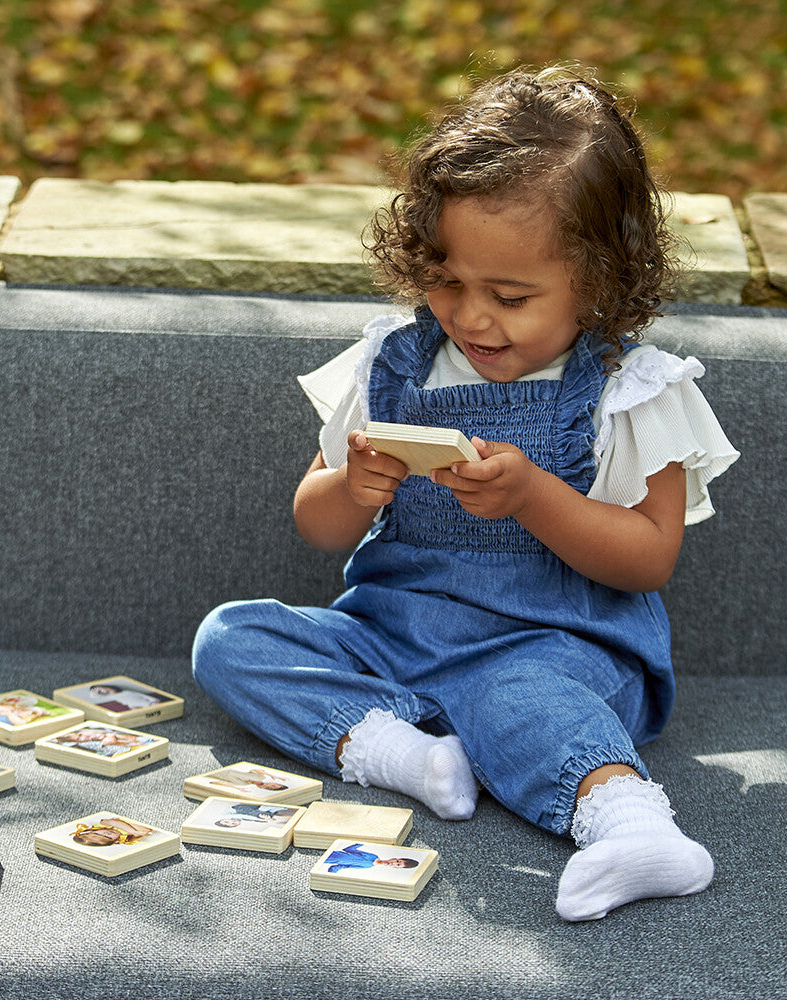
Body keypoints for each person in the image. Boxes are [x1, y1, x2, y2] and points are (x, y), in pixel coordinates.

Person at [193, 66, 739, 922]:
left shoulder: (630, 387)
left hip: (559, 652)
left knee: (519, 702)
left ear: (599, 280)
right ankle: (407, 757)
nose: (473, 318)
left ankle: (632, 825)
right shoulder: (394, 361)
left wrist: (535, 497)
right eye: (447, 282)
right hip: (396, 639)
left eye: (511, 297)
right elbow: (317, 521)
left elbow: (649, 558)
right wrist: (356, 485)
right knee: (231, 638)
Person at [323, 843, 420, 874]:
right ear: (394, 858)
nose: (394, 863)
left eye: (397, 865)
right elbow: (348, 849)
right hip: (331, 852)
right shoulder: (373, 856)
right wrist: (360, 843)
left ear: (395, 868)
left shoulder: (367, 867)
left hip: (326, 860)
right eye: (397, 861)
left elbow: (344, 866)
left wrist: (332, 873)